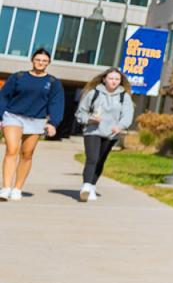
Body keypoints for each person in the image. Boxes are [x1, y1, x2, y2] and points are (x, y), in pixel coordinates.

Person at [0, 48, 65, 201]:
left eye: (44, 61)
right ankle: (6, 187)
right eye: (38, 60)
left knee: (27, 154)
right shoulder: (18, 77)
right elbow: (3, 97)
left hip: (36, 119)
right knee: (12, 149)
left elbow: (56, 104)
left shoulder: (53, 82)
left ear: (48, 63)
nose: (40, 63)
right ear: (32, 60)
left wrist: (53, 123)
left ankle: (17, 188)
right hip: (13, 116)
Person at [75, 67, 133, 202]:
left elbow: (127, 116)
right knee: (92, 158)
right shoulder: (93, 93)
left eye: (117, 79)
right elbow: (80, 112)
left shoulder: (124, 97)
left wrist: (120, 126)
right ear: (104, 79)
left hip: (111, 133)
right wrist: (89, 119)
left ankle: (93, 186)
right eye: (111, 78)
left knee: (100, 160)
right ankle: (86, 187)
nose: (114, 81)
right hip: (92, 131)